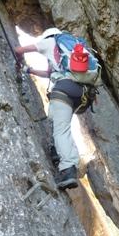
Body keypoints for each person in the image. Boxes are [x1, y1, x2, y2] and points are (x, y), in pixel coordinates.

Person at [15, 27, 87, 190]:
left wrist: (18, 56)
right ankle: (57, 152)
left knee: (61, 130)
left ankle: (68, 168)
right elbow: (49, 73)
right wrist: (29, 70)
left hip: (64, 89)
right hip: (80, 92)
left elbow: (20, 50)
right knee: (57, 122)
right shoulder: (68, 51)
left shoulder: (50, 42)